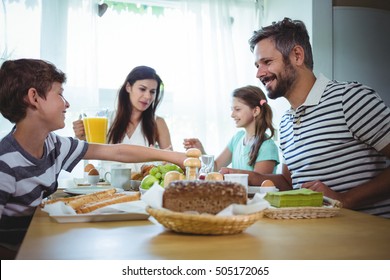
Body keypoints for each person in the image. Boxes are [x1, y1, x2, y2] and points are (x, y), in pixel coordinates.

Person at [0, 59, 186, 259]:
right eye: (60, 94)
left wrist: (173, 156)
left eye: (153, 92)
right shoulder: (5, 163)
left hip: (38, 243)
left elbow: (117, 152)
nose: (67, 103)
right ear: (34, 98)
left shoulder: (54, 144)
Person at [222, 17, 390, 218]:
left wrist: (344, 200)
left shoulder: (350, 98)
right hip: (318, 236)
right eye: (257, 65)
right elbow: (289, 183)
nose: (259, 73)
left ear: (297, 55)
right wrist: (253, 177)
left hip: (367, 238)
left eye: (267, 62)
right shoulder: (285, 123)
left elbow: (338, 201)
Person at [72, 66, 172, 171]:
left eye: (152, 92)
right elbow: (83, 154)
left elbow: (171, 166)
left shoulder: (158, 123)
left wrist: (160, 158)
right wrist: (80, 138)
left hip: (141, 185)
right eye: (142, 89)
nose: (148, 96)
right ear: (128, 87)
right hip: (107, 184)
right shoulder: (104, 119)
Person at [184, 85, 279, 174]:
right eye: (232, 109)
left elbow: (258, 181)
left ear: (255, 111)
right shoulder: (237, 138)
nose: (232, 115)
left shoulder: (267, 146)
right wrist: (202, 152)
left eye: (237, 109)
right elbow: (215, 167)